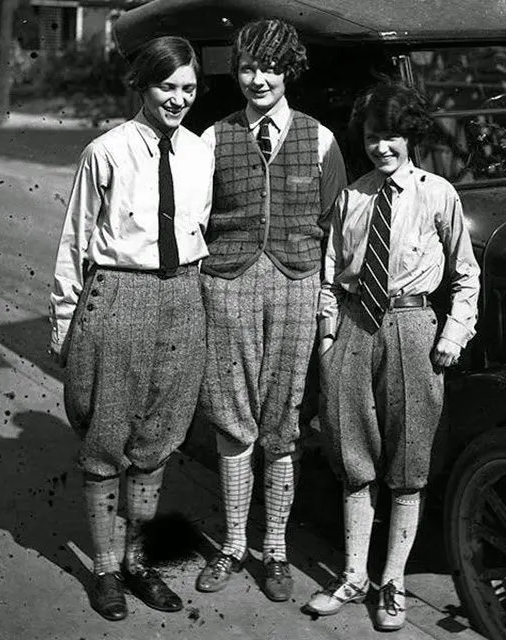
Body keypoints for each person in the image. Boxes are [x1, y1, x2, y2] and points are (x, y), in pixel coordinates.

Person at [305, 81, 480, 631]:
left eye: (393, 136)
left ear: (413, 137)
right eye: (375, 137)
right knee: (354, 457)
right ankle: (354, 574)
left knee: (408, 464)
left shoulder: (438, 194)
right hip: (356, 327)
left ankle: (392, 584)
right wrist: (330, 342)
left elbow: (466, 274)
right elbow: (330, 275)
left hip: (412, 327)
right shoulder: (353, 196)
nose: (383, 147)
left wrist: (452, 334)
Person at [49, 36, 213, 621]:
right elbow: (75, 240)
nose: (177, 99)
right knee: (106, 440)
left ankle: (137, 562)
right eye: (167, 86)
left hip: (182, 298)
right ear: (142, 85)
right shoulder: (106, 152)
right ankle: (104, 570)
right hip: (119, 296)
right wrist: (65, 318)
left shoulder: (201, 152)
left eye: (188, 88)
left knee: (158, 441)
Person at [194, 18, 347, 602]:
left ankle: (276, 550)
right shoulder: (213, 137)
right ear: (236, 72)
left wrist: (327, 301)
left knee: (282, 422)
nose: (259, 79)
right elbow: (194, 219)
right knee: (233, 418)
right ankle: (234, 544)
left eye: (271, 68)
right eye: (249, 68)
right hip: (227, 285)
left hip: (297, 285)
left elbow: (335, 226)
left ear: (290, 72)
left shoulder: (321, 138)